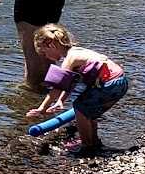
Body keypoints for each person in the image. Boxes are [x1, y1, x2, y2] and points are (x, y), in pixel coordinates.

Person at [27, 24, 129, 157]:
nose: (45, 57)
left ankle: (87, 146)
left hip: (109, 84)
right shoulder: (77, 51)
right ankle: (94, 142)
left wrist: (42, 108)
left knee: (80, 108)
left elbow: (57, 88)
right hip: (119, 80)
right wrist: (61, 101)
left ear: (52, 46)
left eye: (44, 53)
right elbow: (71, 83)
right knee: (88, 110)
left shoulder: (70, 59)